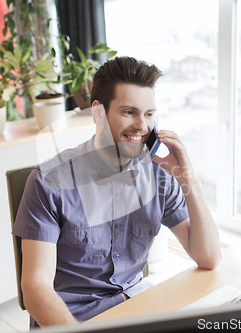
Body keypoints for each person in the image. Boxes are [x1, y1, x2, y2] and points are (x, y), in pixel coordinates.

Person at [12, 56, 222, 328]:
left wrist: (186, 176)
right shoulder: (49, 181)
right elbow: (35, 289)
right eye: (129, 112)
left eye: (149, 114)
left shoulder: (158, 174)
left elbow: (209, 257)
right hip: (72, 319)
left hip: (138, 306)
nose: (142, 126)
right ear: (98, 113)